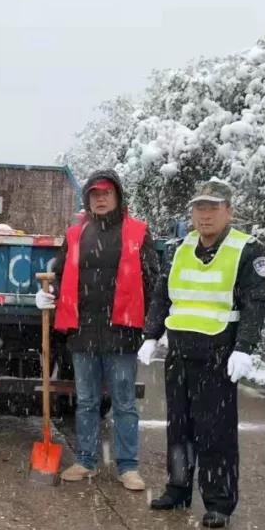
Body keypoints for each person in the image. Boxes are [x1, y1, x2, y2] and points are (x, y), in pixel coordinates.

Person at [138, 178, 265, 528]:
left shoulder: (247, 250)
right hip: (180, 352)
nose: (205, 215)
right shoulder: (181, 248)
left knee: (215, 432)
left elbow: (256, 302)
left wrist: (244, 347)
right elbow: (162, 295)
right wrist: (151, 335)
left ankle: (219, 502)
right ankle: (178, 488)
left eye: (213, 208)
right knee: (179, 428)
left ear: (229, 211)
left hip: (218, 353)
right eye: (200, 208)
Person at [35, 170, 160, 488]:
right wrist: (50, 296)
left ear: (117, 196)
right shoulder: (76, 235)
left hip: (123, 331)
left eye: (106, 193)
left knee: (124, 403)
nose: (100, 198)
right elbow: (62, 276)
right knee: (87, 401)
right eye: (94, 193)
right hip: (84, 332)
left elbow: (151, 281)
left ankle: (128, 467)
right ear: (87, 199)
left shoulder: (138, 233)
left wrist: (150, 327)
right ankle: (86, 460)